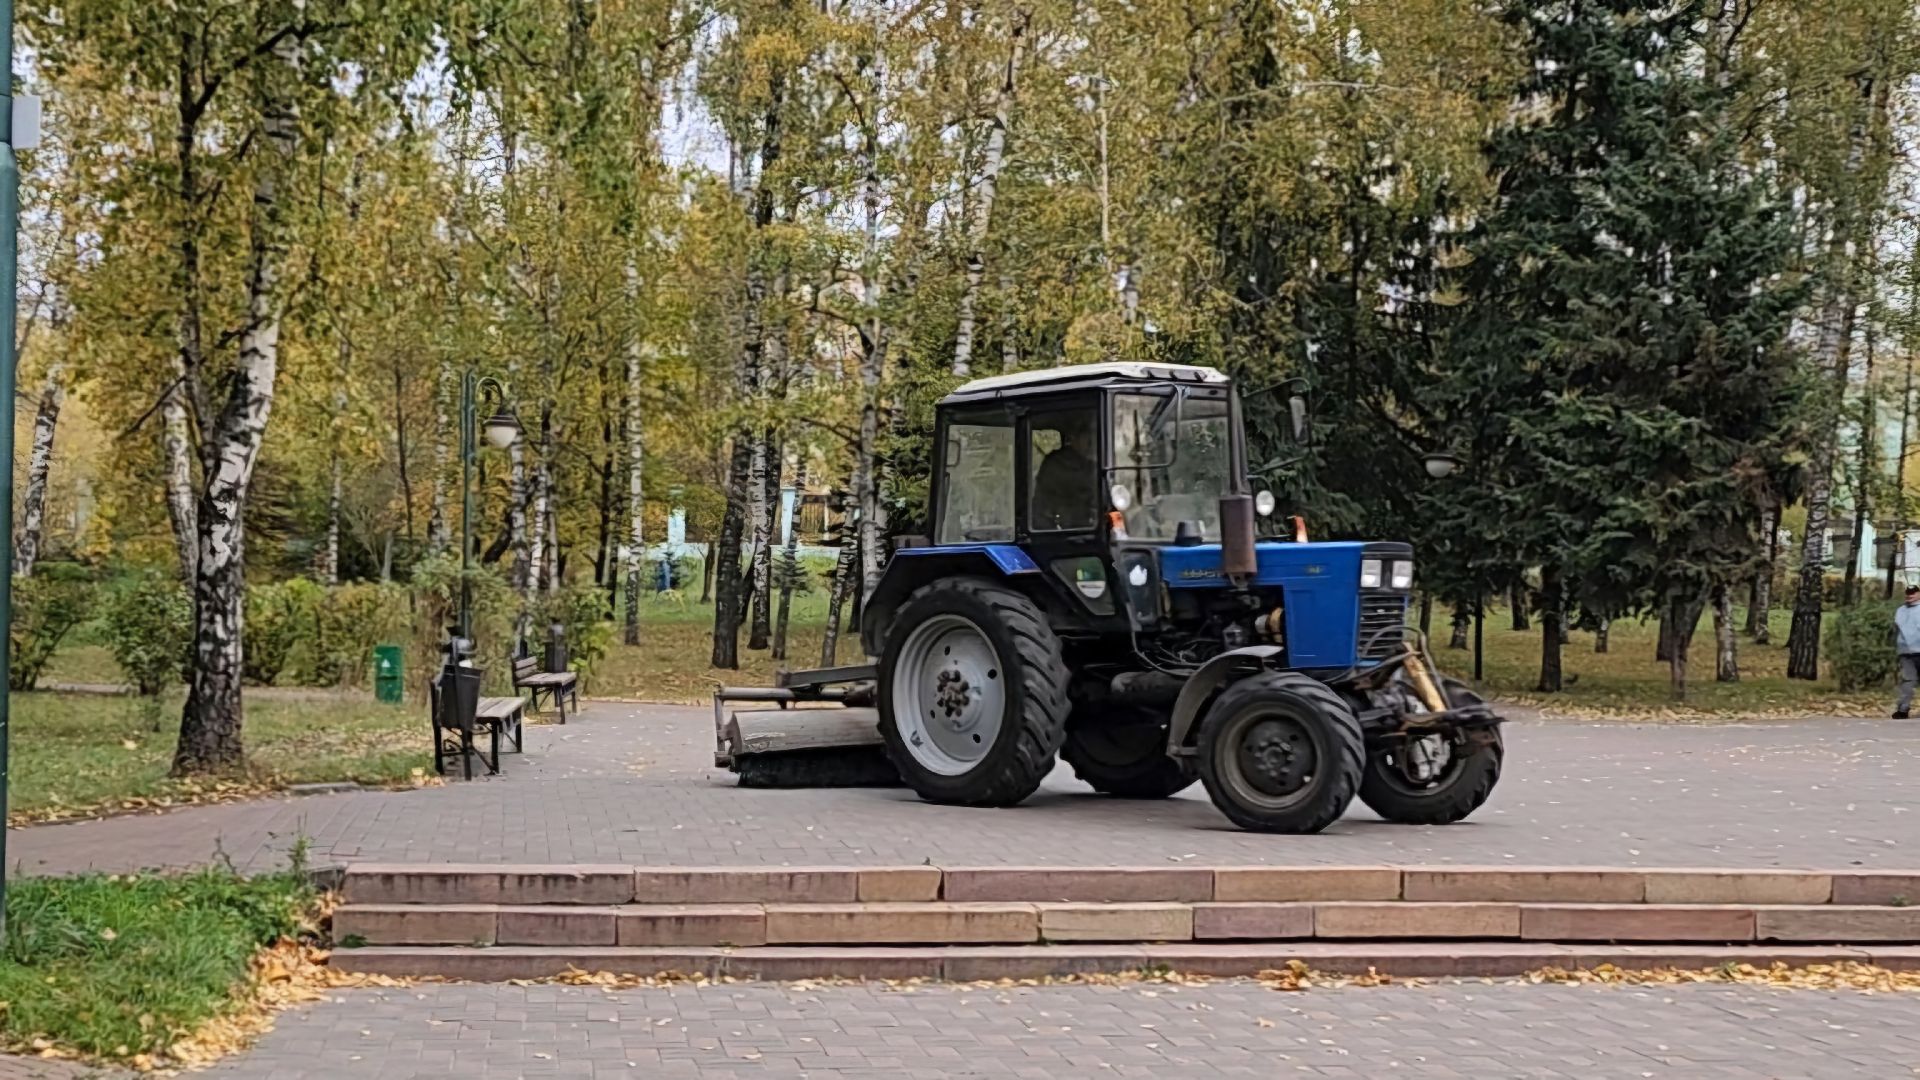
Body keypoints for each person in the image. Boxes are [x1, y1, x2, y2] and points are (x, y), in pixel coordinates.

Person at [1032, 416, 1097, 530]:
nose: (1091, 444)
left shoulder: (1093, 465)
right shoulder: (1058, 464)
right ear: (1075, 439)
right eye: (1087, 438)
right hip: (1062, 527)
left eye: (1093, 438)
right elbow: (1045, 503)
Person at [1895, 584, 1920, 719]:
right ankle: (1903, 709)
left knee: (1908, 680)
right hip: (1906, 651)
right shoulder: (1901, 610)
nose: (1910, 595)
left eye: (1913, 593)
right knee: (1908, 680)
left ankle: (1903, 709)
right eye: (1908, 593)